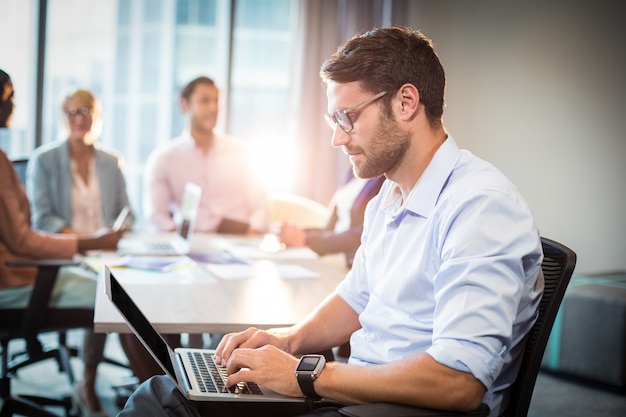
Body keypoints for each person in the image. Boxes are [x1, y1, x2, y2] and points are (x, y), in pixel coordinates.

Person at [118, 27, 544, 417]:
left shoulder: (479, 207)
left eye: (348, 117)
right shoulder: (389, 198)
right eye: (333, 120)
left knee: (166, 406)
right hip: (358, 391)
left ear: (406, 102)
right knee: (172, 391)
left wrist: (304, 376)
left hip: (403, 409)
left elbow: (459, 381)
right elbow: (356, 298)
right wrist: (287, 342)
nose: (338, 137)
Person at [0, 69, 125, 417]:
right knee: (118, 296)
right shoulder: (7, 161)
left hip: (33, 265)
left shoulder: (110, 163)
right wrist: (83, 244)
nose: (14, 104)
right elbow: (24, 238)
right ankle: (168, 398)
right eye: (8, 96)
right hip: (20, 277)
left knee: (115, 285)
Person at [143, 76, 270, 235]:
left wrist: (253, 232)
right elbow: (156, 215)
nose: (213, 108)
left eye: (216, 101)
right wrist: (179, 237)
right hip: (190, 242)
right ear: (185, 105)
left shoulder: (243, 153)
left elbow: (261, 207)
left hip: (238, 241)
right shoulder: (164, 159)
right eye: (205, 101)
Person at [278, 171, 384, 268]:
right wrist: (301, 233)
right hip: (335, 251)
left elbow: (363, 234)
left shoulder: (383, 180)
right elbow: (330, 230)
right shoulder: (353, 172)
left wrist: (307, 240)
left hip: (351, 259)